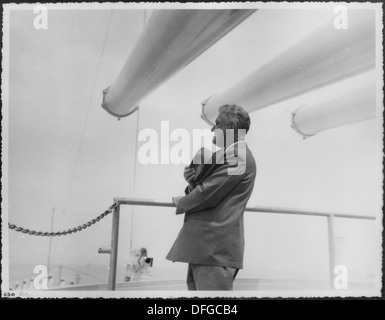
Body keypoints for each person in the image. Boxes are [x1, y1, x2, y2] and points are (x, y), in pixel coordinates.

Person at [166, 104, 257, 290]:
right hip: (205, 249)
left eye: (218, 124)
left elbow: (208, 195)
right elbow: (216, 192)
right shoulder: (232, 155)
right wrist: (192, 184)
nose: (213, 129)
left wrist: (180, 201)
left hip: (214, 251)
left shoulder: (238, 156)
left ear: (231, 128)